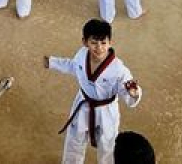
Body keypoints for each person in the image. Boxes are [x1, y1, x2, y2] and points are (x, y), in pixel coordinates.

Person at [45, 19, 142, 164]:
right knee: (74, 140)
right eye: (94, 42)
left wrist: (134, 94)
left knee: (108, 146)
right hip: (83, 104)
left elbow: (127, 87)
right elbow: (73, 66)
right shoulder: (81, 55)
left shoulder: (119, 69)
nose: (99, 48)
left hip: (106, 111)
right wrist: (52, 62)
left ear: (110, 42)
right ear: (85, 42)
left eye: (103, 43)